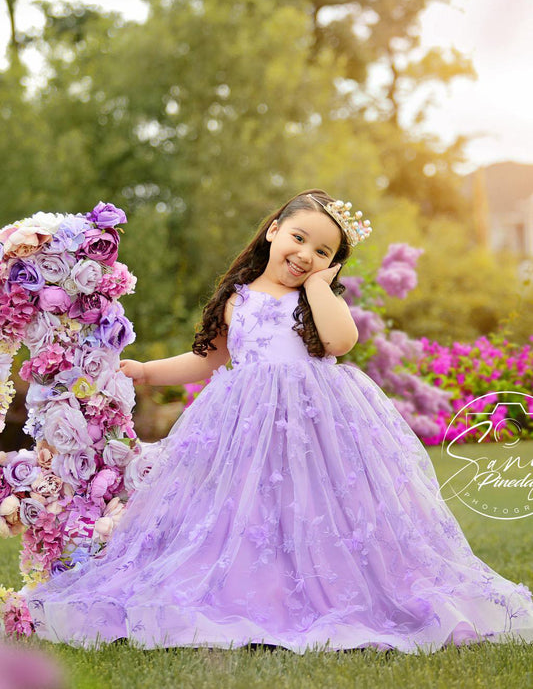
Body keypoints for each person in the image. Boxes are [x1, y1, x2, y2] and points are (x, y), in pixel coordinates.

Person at [22, 188, 533, 654]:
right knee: (245, 508)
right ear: (273, 231)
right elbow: (207, 361)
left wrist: (318, 288)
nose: (306, 254)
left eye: (323, 252)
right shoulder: (237, 301)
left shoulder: (318, 302)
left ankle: (327, 584)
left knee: (315, 506)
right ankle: (254, 586)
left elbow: (339, 343)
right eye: (299, 238)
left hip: (314, 423)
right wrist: (146, 371)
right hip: (244, 423)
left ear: (331, 266)